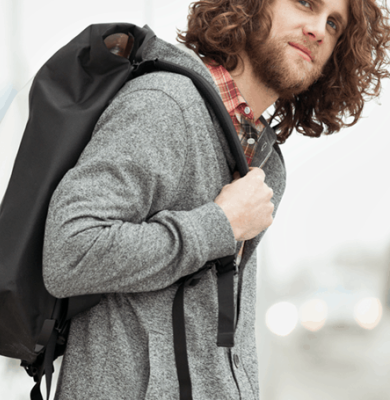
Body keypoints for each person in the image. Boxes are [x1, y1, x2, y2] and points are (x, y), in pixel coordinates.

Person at [42, 0, 390, 399]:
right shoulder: (164, 105)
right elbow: (68, 253)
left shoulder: (259, 154)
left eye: (334, 24)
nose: (318, 29)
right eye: (306, 3)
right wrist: (219, 224)